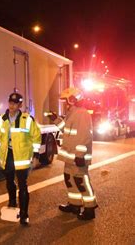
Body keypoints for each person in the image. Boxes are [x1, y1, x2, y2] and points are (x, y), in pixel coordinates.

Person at [47, 87, 97, 220]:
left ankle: (90, 208)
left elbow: (85, 136)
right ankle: (74, 204)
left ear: (73, 99)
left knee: (81, 181)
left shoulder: (82, 113)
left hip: (77, 156)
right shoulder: (73, 113)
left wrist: (80, 155)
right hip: (70, 156)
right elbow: (66, 130)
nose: (65, 103)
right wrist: (55, 119)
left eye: (66, 101)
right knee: (70, 180)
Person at [0, 92, 41, 225]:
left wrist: (36, 155)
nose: (12, 105)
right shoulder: (1, 119)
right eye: (10, 103)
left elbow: (36, 137)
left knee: (23, 185)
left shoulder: (27, 119)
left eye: (15, 103)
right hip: (7, 156)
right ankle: (12, 203)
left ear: (20, 105)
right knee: (9, 181)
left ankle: (24, 214)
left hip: (22, 157)